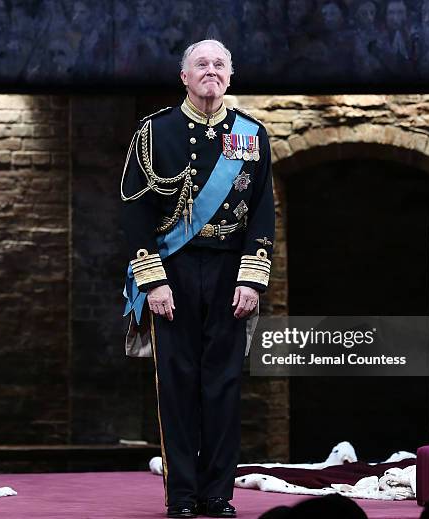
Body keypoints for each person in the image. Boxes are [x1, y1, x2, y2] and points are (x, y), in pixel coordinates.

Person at [120, 39, 275, 518]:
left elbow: (264, 213)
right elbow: (135, 213)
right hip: (175, 274)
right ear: (183, 76)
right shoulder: (154, 132)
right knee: (178, 384)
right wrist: (153, 280)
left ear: (231, 76)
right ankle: (183, 496)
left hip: (231, 271)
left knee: (224, 386)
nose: (212, 71)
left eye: (220, 64)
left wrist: (252, 278)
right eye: (201, 64)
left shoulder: (252, 133)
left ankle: (218, 494)